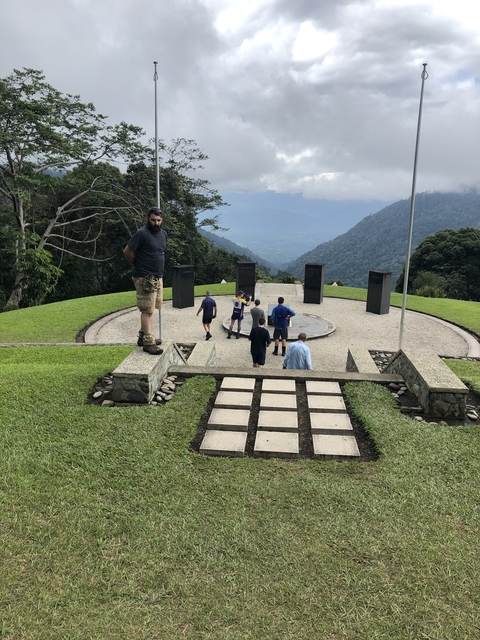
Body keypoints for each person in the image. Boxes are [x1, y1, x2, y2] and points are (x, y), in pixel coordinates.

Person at [123, 207, 166, 355]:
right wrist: (136, 264)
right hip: (144, 277)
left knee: (152, 308)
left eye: (159, 220)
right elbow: (127, 251)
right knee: (147, 310)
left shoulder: (163, 234)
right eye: (153, 220)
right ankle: (148, 343)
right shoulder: (141, 233)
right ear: (147, 218)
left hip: (157, 276)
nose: (156, 223)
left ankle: (143, 336)